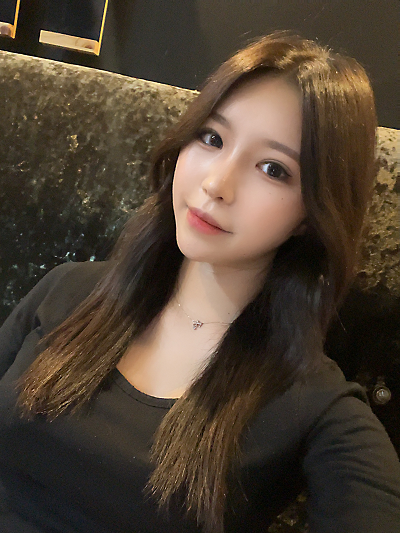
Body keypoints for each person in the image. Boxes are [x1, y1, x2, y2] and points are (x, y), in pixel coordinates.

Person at [0, 31, 399, 533]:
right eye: (212, 138)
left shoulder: (312, 405)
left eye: (273, 169)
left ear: (312, 213)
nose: (216, 184)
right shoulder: (69, 291)